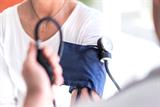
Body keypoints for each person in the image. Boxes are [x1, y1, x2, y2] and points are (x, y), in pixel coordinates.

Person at [0, 0, 108, 106]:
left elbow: (87, 102)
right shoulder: (4, 21)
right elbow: (4, 100)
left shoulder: (89, 22)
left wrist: (37, 94)